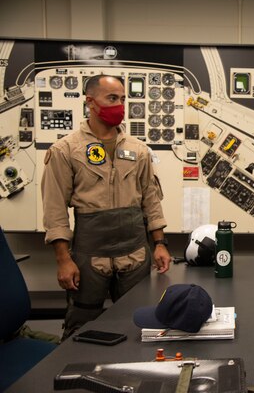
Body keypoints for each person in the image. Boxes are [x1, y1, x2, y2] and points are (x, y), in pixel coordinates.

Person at [41, 74, 171, 340]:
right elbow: (55, 210)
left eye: (123, 99)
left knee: (139, 324)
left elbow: (150, 199)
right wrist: (63, 260)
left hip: (134, 253)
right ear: (90, 101)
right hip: (91, 256)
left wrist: (159, 243)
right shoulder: (66, 150)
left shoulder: (139, 150)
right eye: (112, 98)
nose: (120, 105)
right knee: (82, 325)